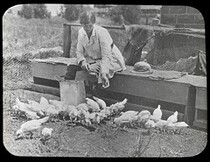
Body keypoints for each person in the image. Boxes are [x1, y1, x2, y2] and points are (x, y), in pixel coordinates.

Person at [63, 11, 126, 88]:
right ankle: (67, 90)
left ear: (93, 23)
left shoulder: (101, 32)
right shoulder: (81, 33)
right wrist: (83, 62)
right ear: (81, 24)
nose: (87, 28)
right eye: (85, 26)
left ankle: (94, 94)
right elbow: (79, 52)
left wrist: (104, 73)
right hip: (94, 59)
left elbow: (106, 55)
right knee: (72, 66)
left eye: (90, 25)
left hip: (111, 59)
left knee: (95, 71)